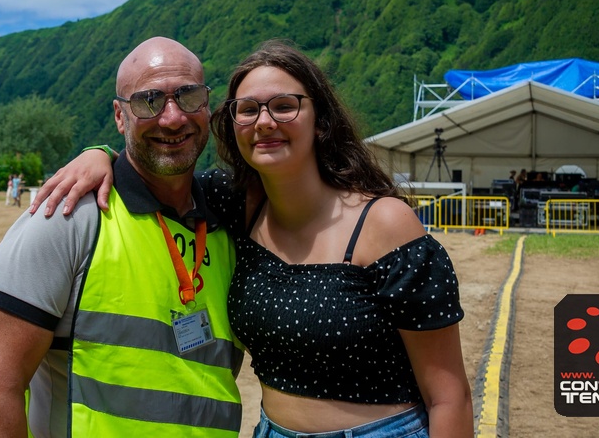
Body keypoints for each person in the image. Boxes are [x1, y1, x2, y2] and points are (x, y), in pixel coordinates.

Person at [31, 40, 474, 437]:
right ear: (233, 125)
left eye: (284, 105)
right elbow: (153, 168)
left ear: (319, 119)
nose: (265, 122)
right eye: (248, 109)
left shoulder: (387, 224)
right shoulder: (233, 205)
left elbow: (448, 397)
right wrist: (99, 155)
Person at [0, 37, 244, 437]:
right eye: (148, 100)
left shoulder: (227, 228)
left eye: (187, 96)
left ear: (207, 104)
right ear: (120, 116)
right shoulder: (67, 218)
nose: (172, 117)